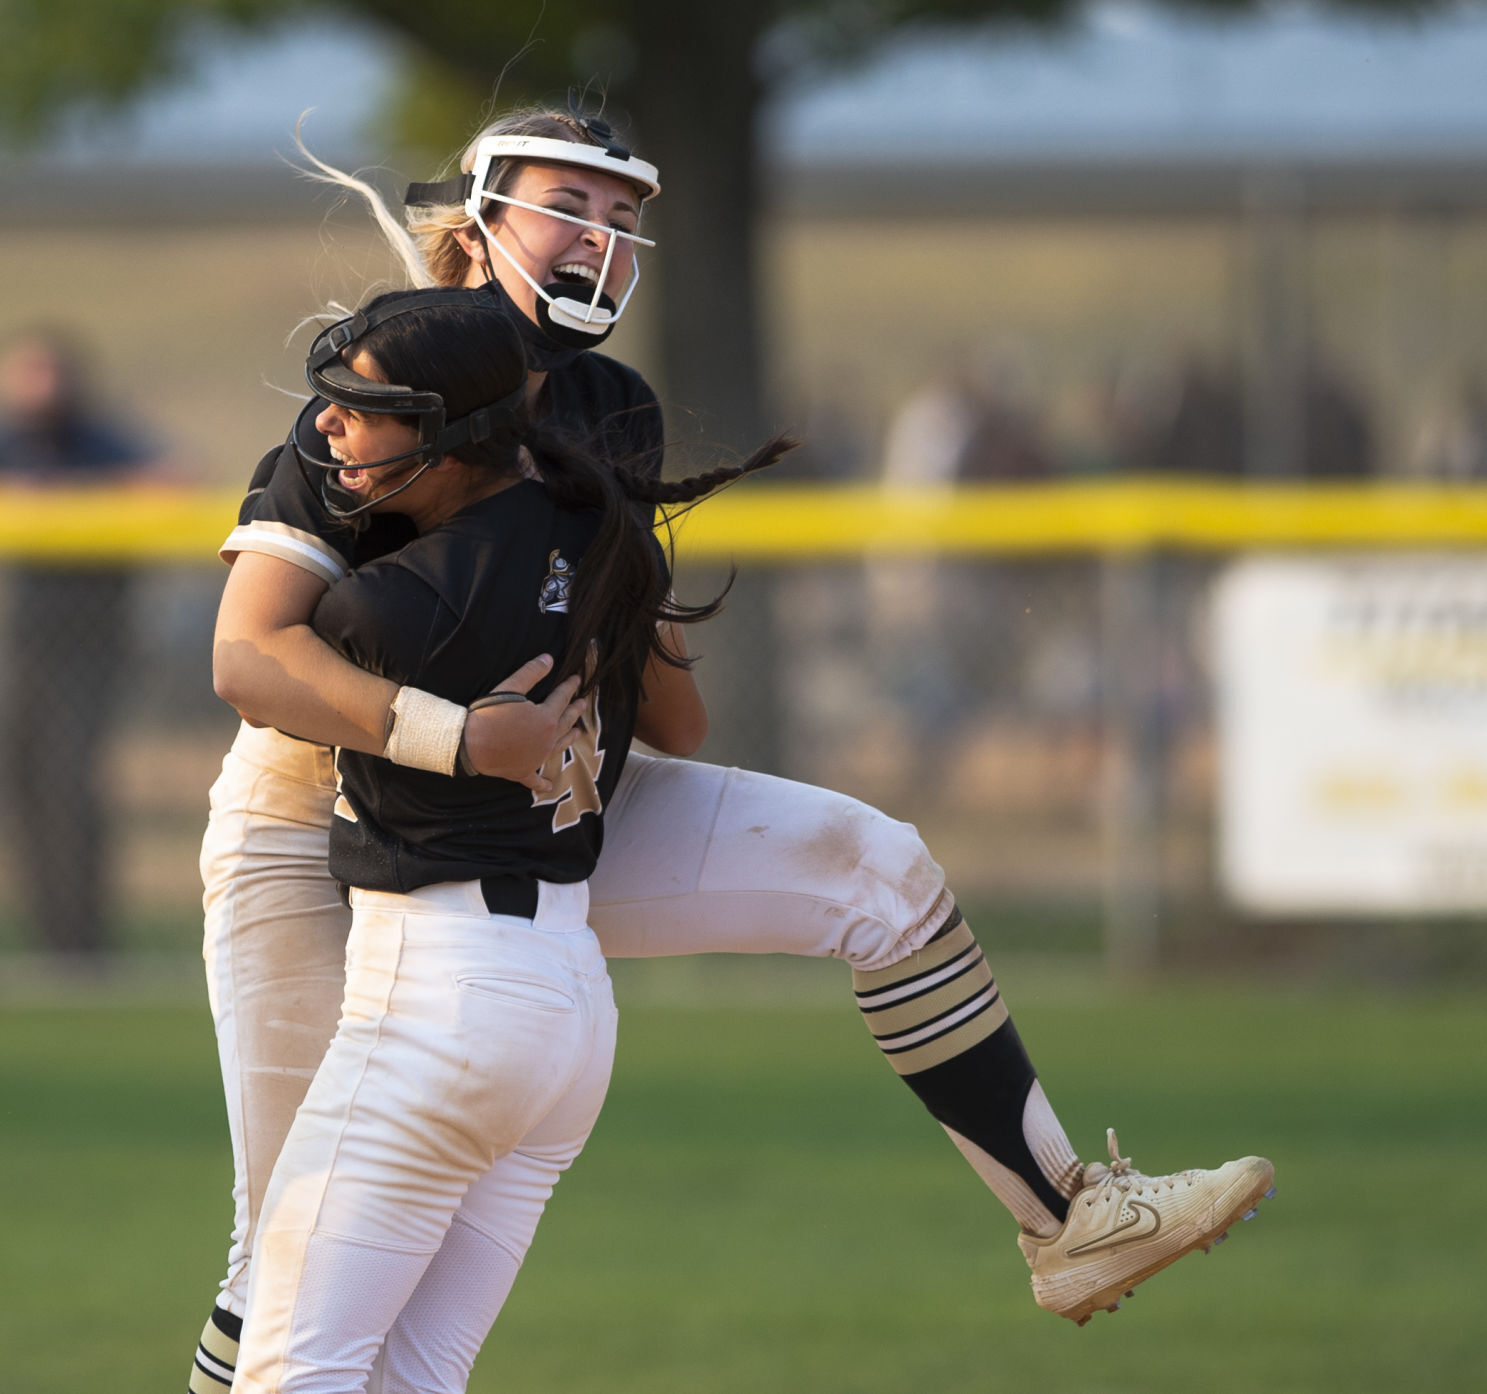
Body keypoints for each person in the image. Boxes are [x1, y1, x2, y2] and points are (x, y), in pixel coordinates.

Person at [191, 104, 1274, 1394]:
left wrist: (604, 588)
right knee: (288, 1270)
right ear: (477, 218)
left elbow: (674, 721)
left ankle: (1068, 1217)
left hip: (532, 802)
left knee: (875, 867)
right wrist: (460, 726)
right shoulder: (389, 372)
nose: (600, 234)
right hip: (312, 822)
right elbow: (249, 659)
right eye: (571, 202)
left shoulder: (609, 409)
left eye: (624, 215)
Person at [230, 285, 787, 1393]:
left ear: (446, 433)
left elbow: (247, 664)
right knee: (412, 1376)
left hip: (438, 996)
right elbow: (683, 723)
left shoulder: (383, 607)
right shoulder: (603, 525)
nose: (325, 424)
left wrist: (454, 734)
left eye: (359, 406)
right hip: (565, 1011)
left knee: (292, 1369)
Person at [0, 328, 158, 958]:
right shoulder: (12, 441)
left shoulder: (99, 440)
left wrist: (75, 501)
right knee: (22, 784)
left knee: (69, 786)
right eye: (26, 373)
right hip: (15, 645)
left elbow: (172, 479)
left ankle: (79, 943)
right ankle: (43, 933)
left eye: (50, 373)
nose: (40, 388)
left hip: (85, 648)